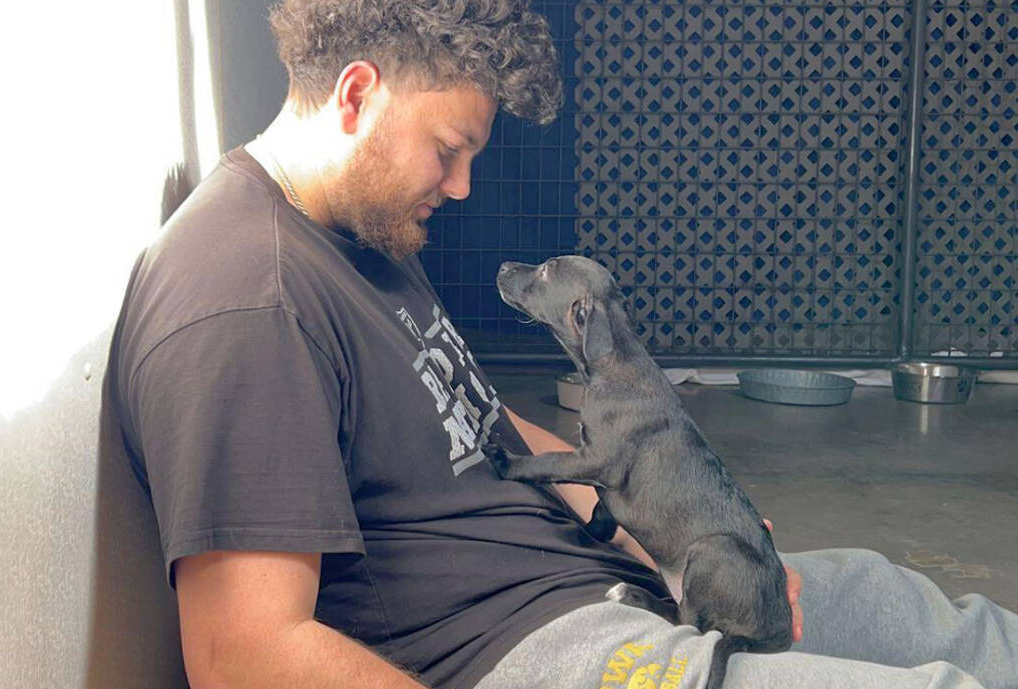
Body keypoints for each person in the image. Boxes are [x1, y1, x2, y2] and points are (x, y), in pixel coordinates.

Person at [102, 2, 1018, 688]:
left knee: (912, 610)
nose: (461, 187)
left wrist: (662, 520)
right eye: (449, 149)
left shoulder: (356, 229)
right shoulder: (246, 303)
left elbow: (473, 418)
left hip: (613, 574)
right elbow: (244, 653)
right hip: (539, 646)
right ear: (356, 95)